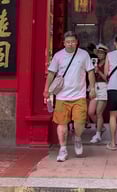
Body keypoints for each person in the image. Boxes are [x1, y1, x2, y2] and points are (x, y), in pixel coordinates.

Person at [44, 31, 95, 162]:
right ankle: (63, 148)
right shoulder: (58, 56)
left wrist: (93, 88)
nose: (70, 44)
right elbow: (51, 74)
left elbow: (90, 72)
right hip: (62, 96)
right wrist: (46, 90)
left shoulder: (84, 55)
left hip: (79, 95)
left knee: (80, 122)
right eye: (68, 42)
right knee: (62, 124)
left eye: (73, 41)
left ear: (76, 42)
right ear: (64, 43)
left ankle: (77, 138)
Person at [88, 43, 108, 143]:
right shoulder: (95, 62)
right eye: (98, 53)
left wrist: (98, 71)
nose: (99, 54)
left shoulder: (107, 64)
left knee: (99, 112)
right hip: (95, 87)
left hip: (104, 87)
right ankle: (102, 126)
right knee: (91, 112)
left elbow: (107, 78)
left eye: (101, 53)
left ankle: (98, 134)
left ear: (105, 54)